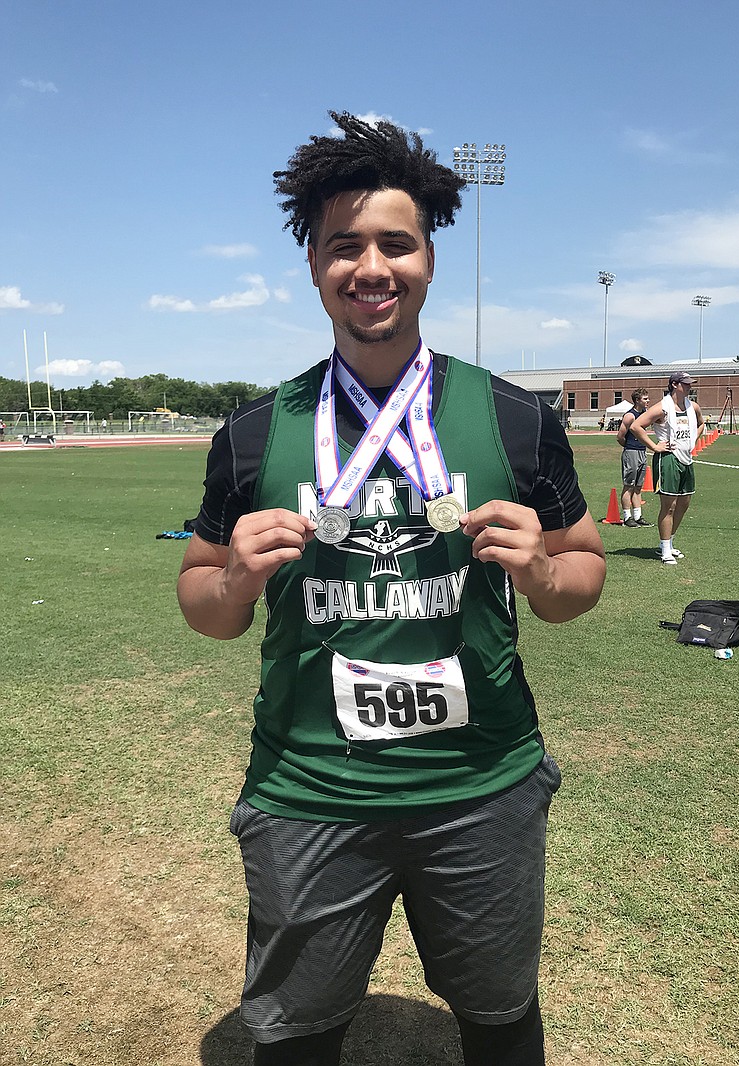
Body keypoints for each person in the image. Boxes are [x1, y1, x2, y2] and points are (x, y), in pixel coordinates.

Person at [177, 111, 606, 1066]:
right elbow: (202, 602)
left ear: (428, 259)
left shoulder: (510, 415)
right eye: (345, 247)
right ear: (315, 266)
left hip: (480, 782)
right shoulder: (254, 431)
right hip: (311, 787)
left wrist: (541, 573)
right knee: (296, 1033)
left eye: (395, 244)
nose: (371, 267)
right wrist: (234, 581)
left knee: (500, 1019)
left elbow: (583, 573)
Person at [629, 371, 705, 565]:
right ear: (674, 385)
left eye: (690, 384)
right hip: (668, 459)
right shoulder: (662, 408)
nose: (689, 387)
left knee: (684, 503)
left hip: (686, 458)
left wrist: (692, 439)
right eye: (685, 384)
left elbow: (702, 424)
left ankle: (670, 543)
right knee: (668, 506)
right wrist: (655, 446)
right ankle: (664, 550)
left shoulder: (692, 406)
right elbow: (636, 426)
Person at [615, 389, 652, 527]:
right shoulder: (630, 416)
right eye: (645, 399)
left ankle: (638, 516)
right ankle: (627, 517)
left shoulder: (645, 415)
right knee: (629, 486)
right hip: (631, 451)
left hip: (642, 451)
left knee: (638, 487)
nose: (648, 401)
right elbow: (620, 437)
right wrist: (629, 447)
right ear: (637, 400)